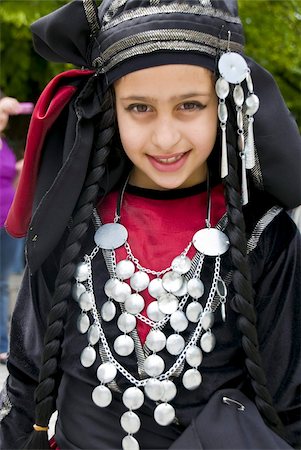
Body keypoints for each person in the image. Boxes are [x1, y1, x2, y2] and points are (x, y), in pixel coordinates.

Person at [0, 1, 301, 449]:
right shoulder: (71, 221)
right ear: (110, 108)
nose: (165, 138)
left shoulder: (263, 234)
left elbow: (290, 413)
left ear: (223, 104)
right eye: (140, 107)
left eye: (190, 106)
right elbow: (25, 385)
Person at [0, 95, 24, 365]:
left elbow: (14, 184)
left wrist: (19, 170)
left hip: (5, 221)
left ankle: (2, 345)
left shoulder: (5, 145)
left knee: (3, 284)